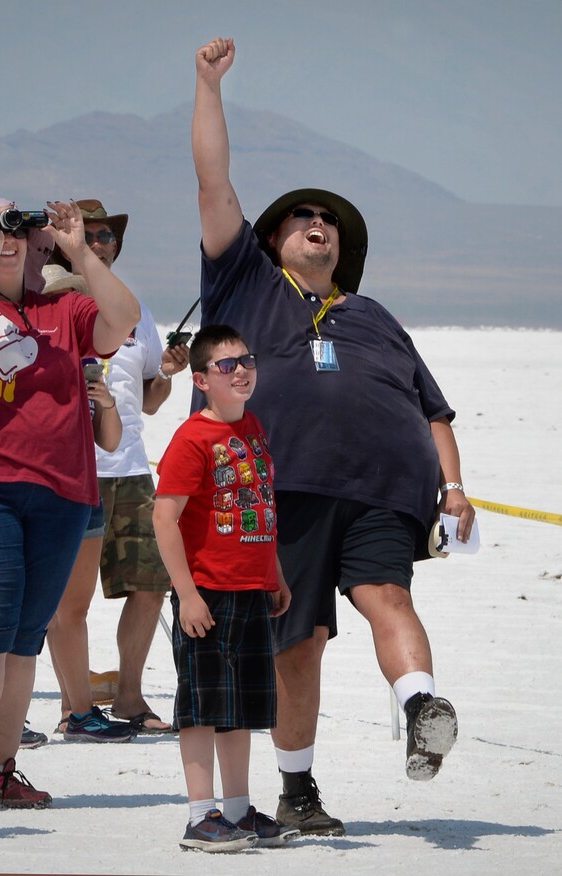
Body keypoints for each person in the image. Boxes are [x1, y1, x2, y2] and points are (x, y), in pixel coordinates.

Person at [191, 37, 476, 836]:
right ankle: (298, 789)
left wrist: (452, 487)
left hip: (385, 491)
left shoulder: (373, 316)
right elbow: (214, 185)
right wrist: (208, 87)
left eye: (329, 222)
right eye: (302, 217)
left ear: (343, 251)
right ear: (275, 238)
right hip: (284, 490)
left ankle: (421, 706)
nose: (318, 225)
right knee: (301, 642)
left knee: (389, 595)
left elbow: (434, 408)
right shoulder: (245, 282)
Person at [0, 197, 140, 815]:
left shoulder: (62, 308)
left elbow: (120, 320)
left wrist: (76, 249)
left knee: (23, 637)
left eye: (18, 230)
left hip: (62, 490)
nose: (10, 238)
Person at [153, 324, 296, 852]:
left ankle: (237, 811)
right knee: (204, 705)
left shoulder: (253, 427)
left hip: (252, 586)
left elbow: (262, 505)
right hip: (206, 592)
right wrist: (186, 594)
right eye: (226, 365)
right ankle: (200, 815)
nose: (241, 371)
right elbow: (164, 519)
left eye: (247, 361)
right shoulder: (192, 438)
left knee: (241, 709)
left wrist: (274, 572)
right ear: (200, 380)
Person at [52, 199, 189, 735]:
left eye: (107, 236)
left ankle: (130, 697)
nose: (100, 243)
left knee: (152, 583)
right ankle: (74, 705)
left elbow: (150, 399)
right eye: (89, 234)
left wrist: (170, 372)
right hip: (71, 470)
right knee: (70, 600)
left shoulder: (135, 310)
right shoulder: (51, 302)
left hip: (130, 468)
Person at [41, 263, 135, 743]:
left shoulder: (91, 361)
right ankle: (70, 710)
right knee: (42, 610)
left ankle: (77, 711)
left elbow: (111, 442)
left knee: (72, 610)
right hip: (46, 491)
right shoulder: (35, 357)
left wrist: (103, 400)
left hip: (85, 488)